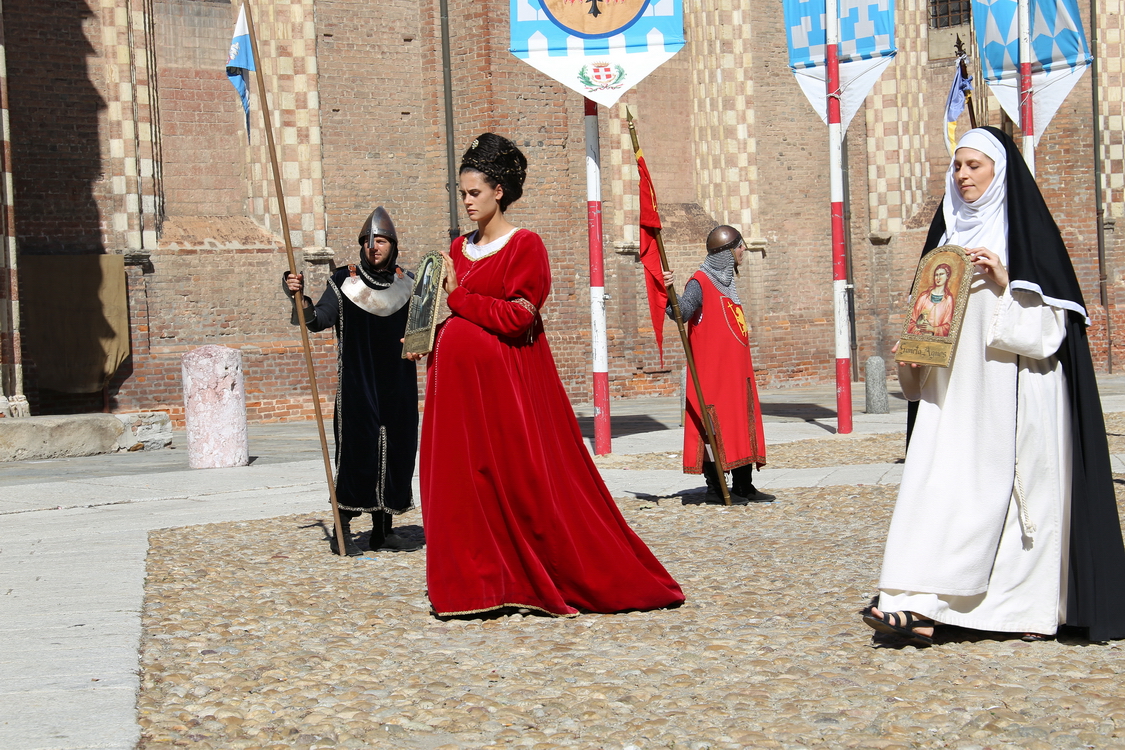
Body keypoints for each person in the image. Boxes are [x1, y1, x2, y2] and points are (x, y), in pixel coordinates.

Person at [863, 127, 1125, 646]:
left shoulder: (1026, 239)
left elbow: (1052, 334)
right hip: (950, 400)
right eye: (957, 166)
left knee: (1002, 503)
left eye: (973, 166)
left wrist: (1009, 284)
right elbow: (931, 325)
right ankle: (912, 602)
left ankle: (1012, 610)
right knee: (935, 490)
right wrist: (914, 351)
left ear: (999, 171)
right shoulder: (945, 241)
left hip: (1014, 393)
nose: (962, 176)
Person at [408, 132, 684, 617]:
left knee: (519, 483)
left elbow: (518, 318)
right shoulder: (457, 247)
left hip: (505, 392)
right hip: (455, 391)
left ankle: (531, 577)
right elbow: (440, 311)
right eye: (462, 193)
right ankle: (473, 583)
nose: (467, 202)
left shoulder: (525, 246)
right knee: (461, 485)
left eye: (475, 193)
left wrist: (457, 298)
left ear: (499, 191)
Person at [285, 207, 422, 555]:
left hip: (398, 384)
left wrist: (422, 344)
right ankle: (342, 531)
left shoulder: (408, 283)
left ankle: (382, 530)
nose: (373, 247)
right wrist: (299, 298)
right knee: (357, 455)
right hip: (359, 386)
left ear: (392, 244)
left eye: (380, 241)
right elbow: (318, 319)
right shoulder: (344, 281)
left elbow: (421, 332)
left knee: (397, 452)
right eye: (368, 241)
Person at [662, 225, 769, 504]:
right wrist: (667, 292)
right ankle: (715, 486)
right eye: (739, 245)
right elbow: (683, 311)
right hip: (713, 373)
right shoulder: (700, 281)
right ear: (725, 252)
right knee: (713, 426)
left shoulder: (727, 282)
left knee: (741, 423)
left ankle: (744, 486)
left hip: (737, 372)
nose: (743, 249)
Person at [906, 263, 955, 336]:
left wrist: (933, 329)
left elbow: (949, 326)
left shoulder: (948, 299)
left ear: (947, 276)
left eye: (941, 274)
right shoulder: (924, 297)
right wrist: (920, 332)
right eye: (936, 275)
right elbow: (911, 321)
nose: (938, 278)